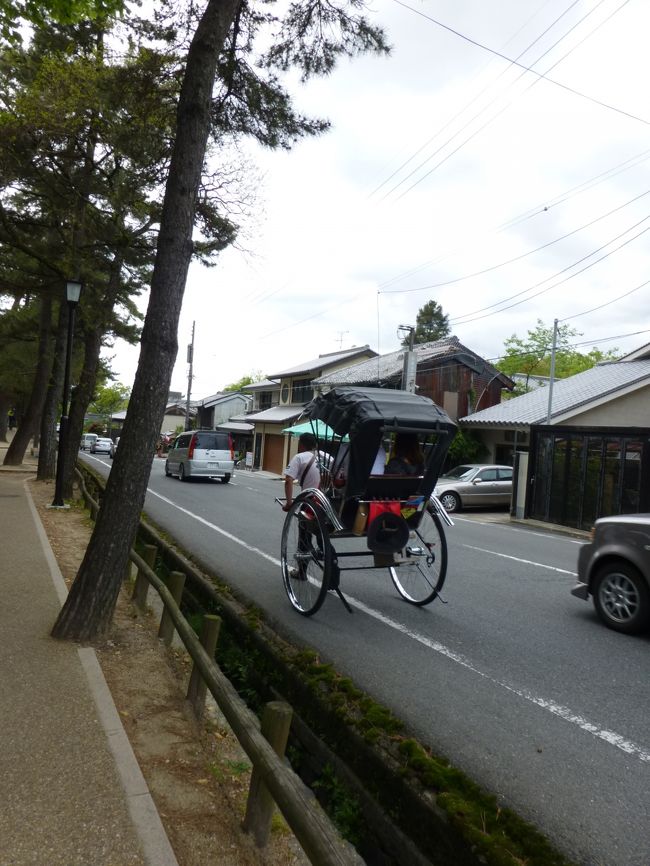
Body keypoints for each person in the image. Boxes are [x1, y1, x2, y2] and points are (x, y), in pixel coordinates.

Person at [283, 432, 320, 511]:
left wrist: (289, 503)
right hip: (326, 501)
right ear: (316, 445)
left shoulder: (299, 457)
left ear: (301, 444)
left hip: (310, 501)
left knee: (304, 521)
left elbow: (288, 480)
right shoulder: (328, 457)